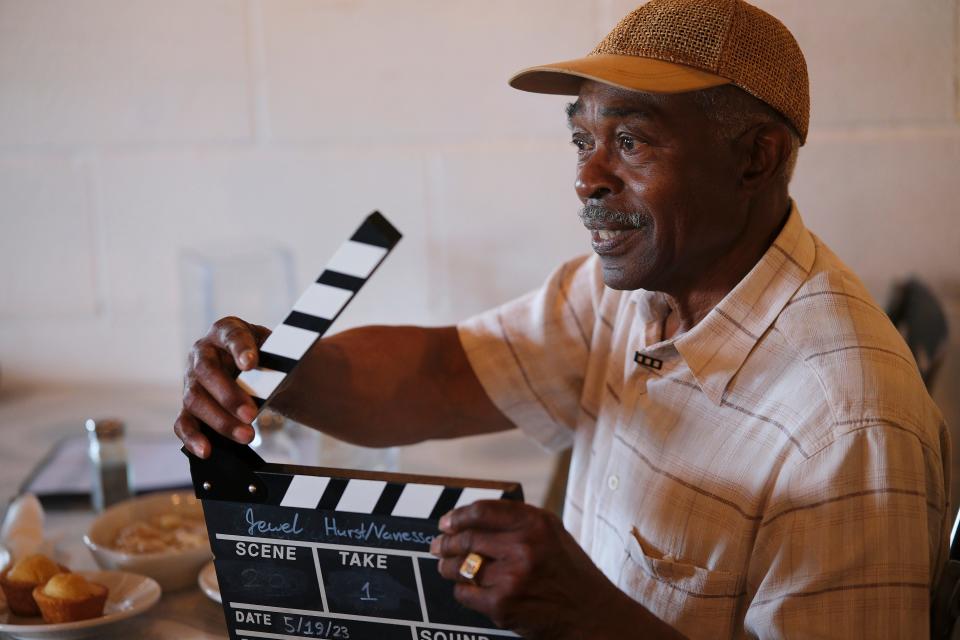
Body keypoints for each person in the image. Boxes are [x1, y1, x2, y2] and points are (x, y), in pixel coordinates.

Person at [174, 1, 950, 637]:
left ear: (755, 157)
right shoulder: (631, 292)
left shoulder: (849, 427)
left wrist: (593, 621)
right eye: (581, 138)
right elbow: (444, 374)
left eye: (631, 140)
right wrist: (279, 372)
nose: (586, 177)